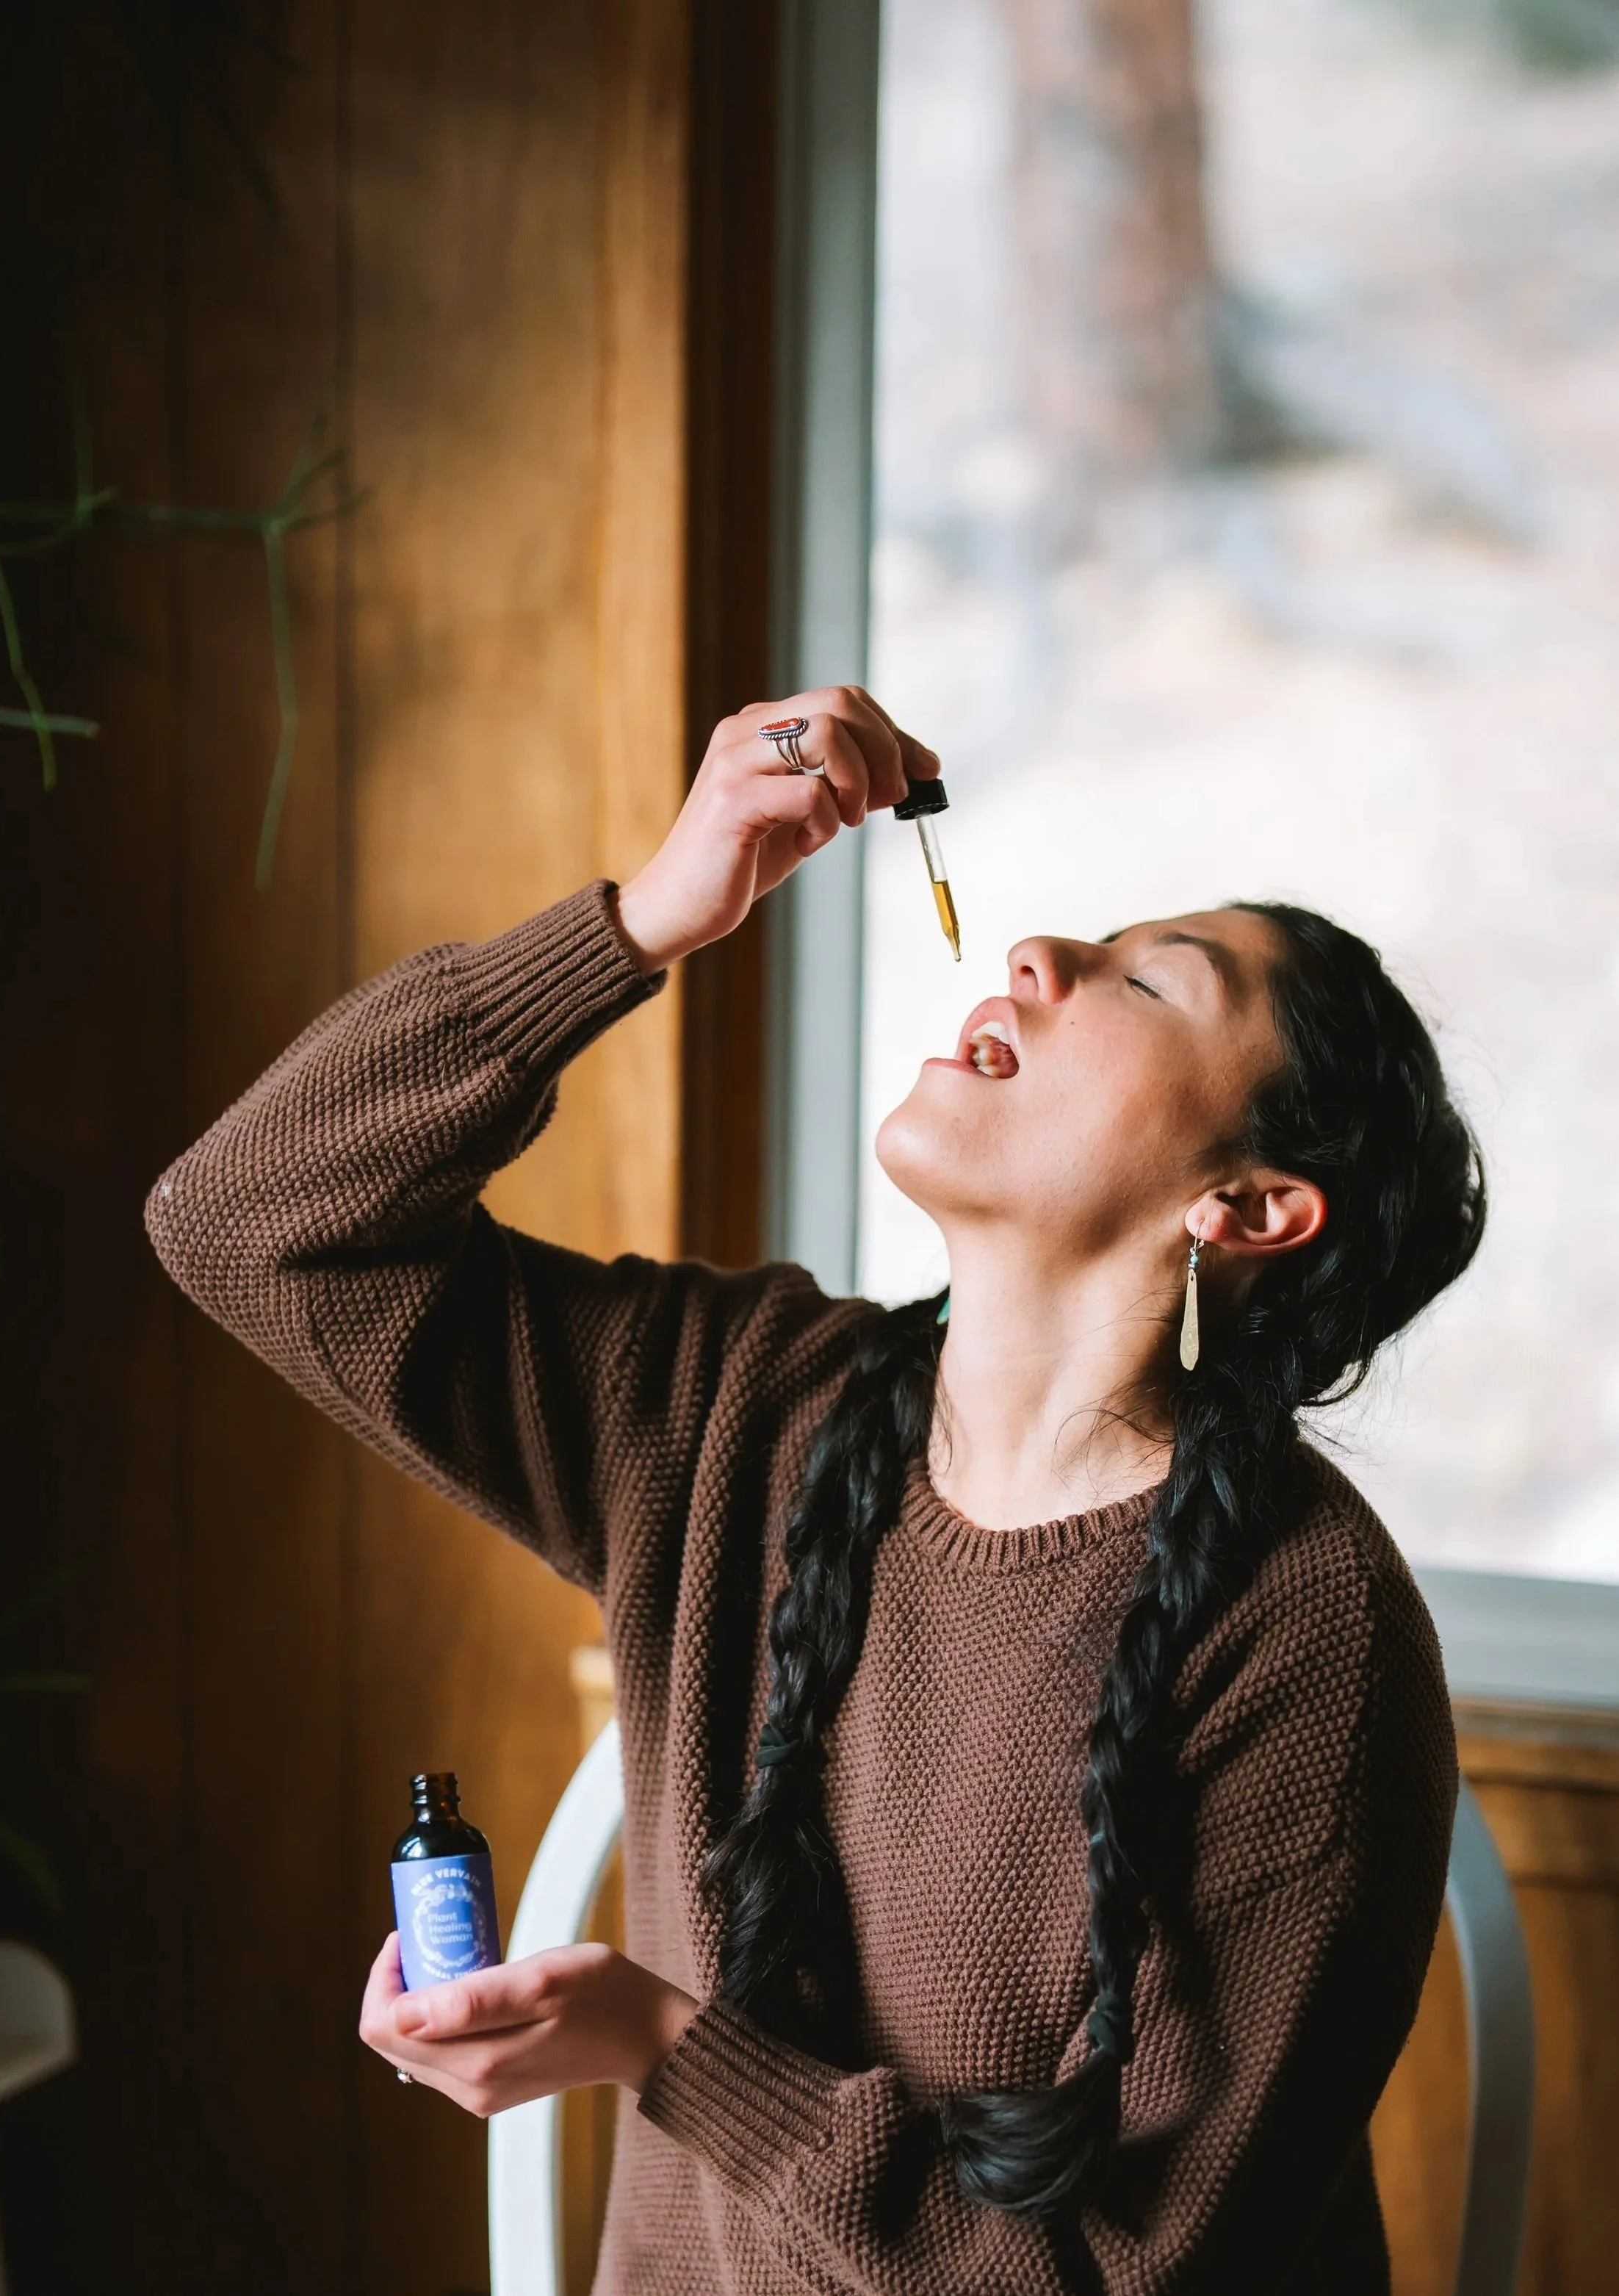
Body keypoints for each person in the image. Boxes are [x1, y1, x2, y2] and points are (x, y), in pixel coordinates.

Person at [146, 687, 1485, 2294]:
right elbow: (245, 1217)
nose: (1036, 954)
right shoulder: (737, 1408)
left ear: (1248, 1206)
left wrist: (662, 2043)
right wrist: (641, 922)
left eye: (1143, 978)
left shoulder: (1310, 1632)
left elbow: (1122, 2270)